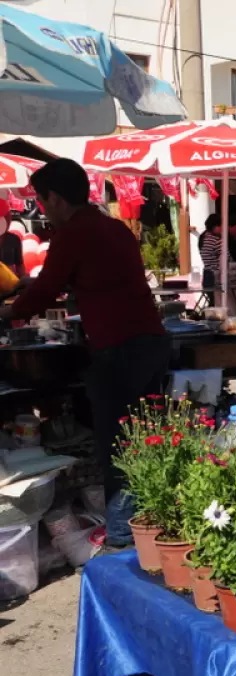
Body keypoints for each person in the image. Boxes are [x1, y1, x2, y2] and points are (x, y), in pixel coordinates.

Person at [0, 159, 168, 548]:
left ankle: (125, 534)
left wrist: (7, 311)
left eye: (42, 202)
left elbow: (45, 291)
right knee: (146, 438)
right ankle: (154, 524)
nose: (42, 210)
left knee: (118, 443)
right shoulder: (113, 228)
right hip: (150, 343)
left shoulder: (73, 234)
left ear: (55, 199)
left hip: (119, 350)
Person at [0, 199, 23, 278]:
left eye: (8, 218)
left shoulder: (14, 239)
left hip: (10, 283)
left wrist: (22, 281)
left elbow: (20, 264)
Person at [198, 213, 222, 288]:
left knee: (212, 299)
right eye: (220, 226)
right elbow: (227, 257)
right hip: (216, 276)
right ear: (215, 226)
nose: (222, 228)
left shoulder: (203, 237)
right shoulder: (215, 240)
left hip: (206, 275)